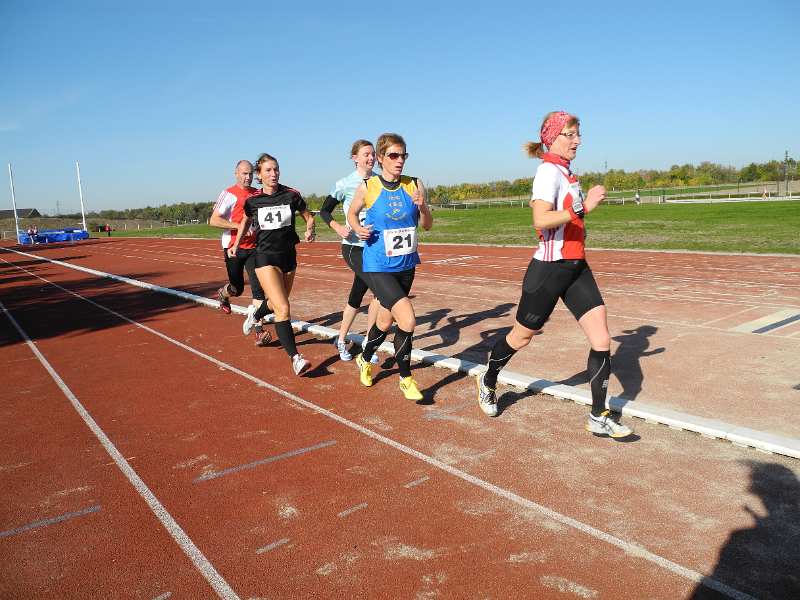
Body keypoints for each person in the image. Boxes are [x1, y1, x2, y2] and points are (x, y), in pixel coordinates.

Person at [475, 111, 632, 438]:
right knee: (521, 336)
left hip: (576, 267)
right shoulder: (547, 171)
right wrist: (583, 207)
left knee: (602, 339)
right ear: (552, 138)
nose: (578, 141)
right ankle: (488, 379)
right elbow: (540, 219)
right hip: (548, 270)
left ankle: (598, 416)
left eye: (578, 134)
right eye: (570, 134)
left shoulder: (566, 171)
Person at [347, 133, 433, 401]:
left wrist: (423, 207)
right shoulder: (368, 186)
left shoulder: (414, 184)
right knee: (407, 319)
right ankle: (406, 379)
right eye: (393, 155)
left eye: (403, 155)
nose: (399, 160)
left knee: (384, 322)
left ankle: (365, 357)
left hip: (406, 264)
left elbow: (427, 225)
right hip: (378, 265)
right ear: (381, 158)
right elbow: (351, 214)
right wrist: (358, 228)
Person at [229, 153, 315, 376]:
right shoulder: (253, 200)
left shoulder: (291, 195)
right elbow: (245, 221)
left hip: (288, 257)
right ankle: (296, 359)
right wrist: (236, 244)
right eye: (268, 170)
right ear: (259, 175)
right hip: (265, 258)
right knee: (283, 308)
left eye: (276, 169)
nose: (273, 173)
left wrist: (310, 229)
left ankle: (256, 315)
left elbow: (308, 216)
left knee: (276, 302)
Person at [318, 139, 381, 362]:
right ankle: (369, 344)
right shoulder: (345, 184)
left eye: (373, 154)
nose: (371, 158)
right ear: (355, 158)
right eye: (366, 154)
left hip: (374, 247)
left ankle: (343, 338)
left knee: (357, 295)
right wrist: (338, 227)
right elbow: (324, 211)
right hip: (354, 247)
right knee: (380, 291)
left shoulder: (379, 181)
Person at [209, 159, 271, 346]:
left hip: (254, 248)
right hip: (233, 247)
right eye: (244, 173)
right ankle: (224, 294)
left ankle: (259, 331)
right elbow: (213, 220)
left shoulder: (257, 193)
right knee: (237, 288)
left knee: (259, 289)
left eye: (250, 173)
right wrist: (240, 227)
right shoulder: (228, 194)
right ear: (236, 174)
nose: (248, 177)